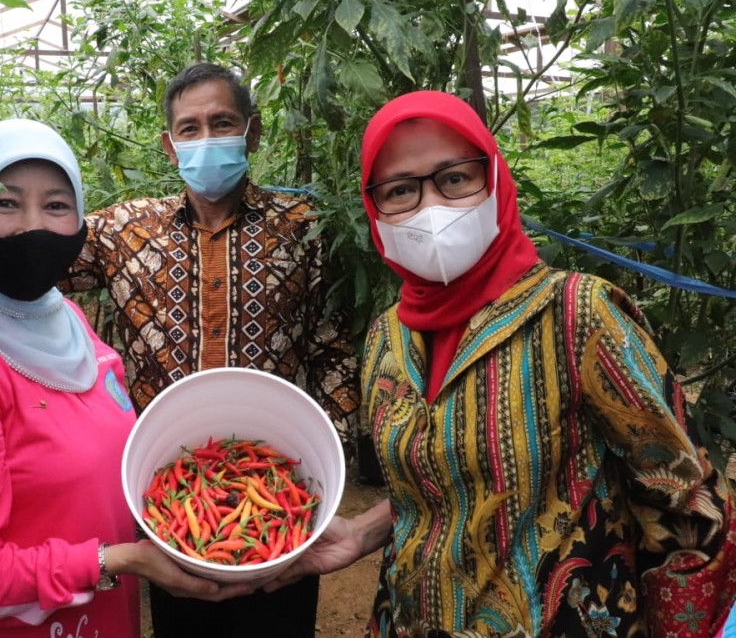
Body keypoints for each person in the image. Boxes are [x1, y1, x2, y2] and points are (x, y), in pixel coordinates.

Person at [0, 23, 361, 638]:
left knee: (279, 622)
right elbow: (14, 251)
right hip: (170, 500)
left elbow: (334, 352)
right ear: (168, 144)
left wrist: (325, 464)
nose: (206, 138)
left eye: (222, 123)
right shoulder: (125, 230)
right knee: (181, 622)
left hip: (275, 487)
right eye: (190, 128)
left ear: (252, 132)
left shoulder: (306, 229)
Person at [264, 91, 736, 637]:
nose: (430, 207)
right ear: (375, 210)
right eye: (400, 190)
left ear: (493, 178)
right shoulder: (386, 338)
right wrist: (365, 532)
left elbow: (687, 509)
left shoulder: (577, 313)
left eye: (455, 179)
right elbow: (442, 482)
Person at [0, 118, 251, 638]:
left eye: (56, 205)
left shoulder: (62, 319)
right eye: (3, 202)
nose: (33, 227)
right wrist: (115, 561)